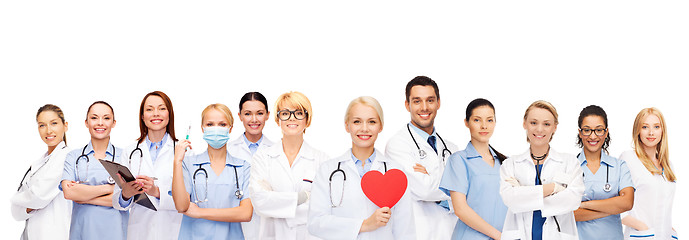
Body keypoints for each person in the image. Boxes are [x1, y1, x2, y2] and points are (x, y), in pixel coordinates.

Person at [308, 96, 415, 240]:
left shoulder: (395, 172)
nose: (364, 128)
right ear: (347, 126)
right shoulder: (328, 171)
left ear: (380, 126)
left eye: (372, 122)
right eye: (357, 121)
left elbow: (405, 231)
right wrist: (364, 225)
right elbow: (316, 223)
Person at [385, 76, 459, 240]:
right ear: (407, 105)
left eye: (430, 100)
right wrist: (454, 187)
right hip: (417, 233)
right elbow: (423, 189)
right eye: (417, 101)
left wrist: (431, 179)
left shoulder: (452, 149)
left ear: (438, 103)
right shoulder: (397, 145)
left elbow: (468, 194)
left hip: (451, 232)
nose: (424, 107)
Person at [249, 91, 329, 240]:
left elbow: (323, 207)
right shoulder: (262, 157)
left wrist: (277, 202)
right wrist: (302, 198)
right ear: (277, 119)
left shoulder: (322, 160)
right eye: (285, 113)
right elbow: (259, 201)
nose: (292, 118)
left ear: (307, 119)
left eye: (298, 113)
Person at [499, 100, 584, 240]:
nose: (539, 129)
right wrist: (554, 188)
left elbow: (572, 200)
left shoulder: (570, 163)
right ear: (524, 124)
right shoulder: (510, 164)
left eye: (546, 124)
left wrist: (523, 194)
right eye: (533, 123)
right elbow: (510, 199)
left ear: (554, 127)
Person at [171, 103, 253, 240]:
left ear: (230, 128)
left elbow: (246, 213)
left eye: (222, 124)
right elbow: (181, 205)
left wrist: (199, 212)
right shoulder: (188, 164)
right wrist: (177, 161)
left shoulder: (243, 167)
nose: (216, 129)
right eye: (210, 124)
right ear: (202, 129)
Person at [112, 91, 183, 240]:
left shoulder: (183, 151)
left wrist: (156, 192)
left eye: (162, 108)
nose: (155, 114)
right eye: (149, 109)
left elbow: (188, 201)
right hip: (140, 232)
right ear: (143, 117)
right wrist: (126, 194)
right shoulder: (130, 152)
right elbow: (117, 202)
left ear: (169, 114)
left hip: (173, 230)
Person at [439, 98, 508, 240]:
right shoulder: (459, 160)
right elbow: (460, 209)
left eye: (489, 120)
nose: (484, 126)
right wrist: (499, 236)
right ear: (467, 123)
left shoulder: (505, 163)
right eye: (477, 120)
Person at [60, 101, 128, 240]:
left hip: (116, 233)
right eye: (94, 117)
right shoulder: (74, 157)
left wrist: (83, 196)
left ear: (114, 123)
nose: (100, 123)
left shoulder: (125, 156)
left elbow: (126, 200)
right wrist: (111, 188)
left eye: (106, 118)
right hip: (83, 232)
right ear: (86, 122)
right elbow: (69, 192)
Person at [12, 104, 72, 240]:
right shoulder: (37, 164)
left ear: (65, 126)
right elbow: (15, 213)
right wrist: (26, 205)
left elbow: (38, 197)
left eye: (54, 123)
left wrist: (17, 200)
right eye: (42, 125)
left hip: (55, 234)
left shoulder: (67, 158)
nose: (48, 130)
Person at [573, 105, 634, 240]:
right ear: (580, 132)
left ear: (606, 132)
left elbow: (627, 203)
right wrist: (612, 208)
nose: (593, 136)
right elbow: (567, 213)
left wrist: (584, 205)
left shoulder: (619, 166)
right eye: (587, 130)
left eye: (599, 130)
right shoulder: (569, 166)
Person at [619, 107, 677, 239]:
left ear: (662, 131)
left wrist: (670, 229)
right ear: (637, 130)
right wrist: (642, 227)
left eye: (656, 127)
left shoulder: (668, 165)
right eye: (645, 127)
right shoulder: (628, 158)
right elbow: (616, 205)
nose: (651, 132)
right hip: (642, 235)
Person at [228, 92, 275, 240]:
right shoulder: (228, 150)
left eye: (259, 113)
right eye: (248, 114)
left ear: (267, 115)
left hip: (269, 224)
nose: (254, 119)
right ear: (240, 116)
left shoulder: (277, 151)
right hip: (234, 225)